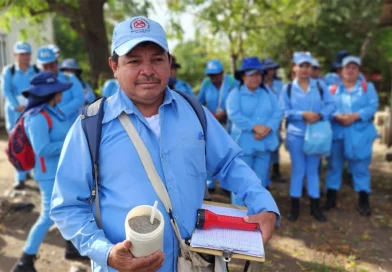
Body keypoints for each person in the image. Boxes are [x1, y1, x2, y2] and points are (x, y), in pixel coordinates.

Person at [50, 16, 280, 272]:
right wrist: (106, 253)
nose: (147, 70)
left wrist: (263, 204)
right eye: (134, 61)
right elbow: (68, 206)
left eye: (157, 59)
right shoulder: (91, 126)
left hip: (198, 263)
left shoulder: (195, 113)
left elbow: (229, 163)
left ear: (169, 62)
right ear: (114, 66)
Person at [12, 72, 74, 272]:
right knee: (47, 217)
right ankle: (25, 261)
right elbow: (41, 149)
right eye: (58, 91)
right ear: (51, 93)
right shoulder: (37, 117)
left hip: (60, 172)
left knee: (73, 208)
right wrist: (69, 143)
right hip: (48, 176)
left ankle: (72, 247)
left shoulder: (53, 111)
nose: (62, 95)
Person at [280, 52, 335, 222]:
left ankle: (315, 208)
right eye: (301, 65)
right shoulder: (288, 88)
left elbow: (332, 104)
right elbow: (283, 111)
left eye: (307, 66)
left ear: (312, 68)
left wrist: (320, 115)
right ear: (294, 67)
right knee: (298, 170)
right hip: (296, 135)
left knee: (313, 171)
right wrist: (301, 114)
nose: (304, 69)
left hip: (316, 136)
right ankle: (294, 208)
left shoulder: (319, 85)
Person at [324, 56, 379, 216]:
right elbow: (327, 107)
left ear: (358, 71)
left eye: (354, 67)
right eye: (347, 67)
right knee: (334, 166)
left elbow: (372, 106)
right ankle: (331, 199)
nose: (350, 70)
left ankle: (363, 200)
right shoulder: (332, 89)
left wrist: (355, 116)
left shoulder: (367, 88)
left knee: (360, 167)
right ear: (341, 71)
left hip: (359, 135)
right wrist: (337, 116)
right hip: (337, 134)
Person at [227, 57, 282, 205]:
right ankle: (237, 218)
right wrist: (254, 127)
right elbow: (234, 114)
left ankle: (255, 216)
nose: (255, 78)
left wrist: (267, 128)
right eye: (251, 74)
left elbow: (277, 112)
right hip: (243, 145)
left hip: (264, 144)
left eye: (258, 74)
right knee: (241, 182)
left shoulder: (267, 92)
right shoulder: (235, 93)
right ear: (243, 76)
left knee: (260, 182)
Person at [1, 41, 40, 189]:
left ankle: (36, 174)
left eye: (27, 54)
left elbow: (40, 89)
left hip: (32, 111)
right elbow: (7, 91)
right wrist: (16, 105)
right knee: (18, 143)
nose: (25, 57)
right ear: (15, 55)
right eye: (22, 54)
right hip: (14, 113)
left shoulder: (36, 70)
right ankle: (21, 177)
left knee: (34, 141)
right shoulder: (8, 71)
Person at [198, 59, 238, 191]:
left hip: (229, 125)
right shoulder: (206, 84)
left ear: (222, 73)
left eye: (216, 75)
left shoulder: (232, 82)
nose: (214, 78)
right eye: (211, 75)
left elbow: (237, 102)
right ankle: (210, 184)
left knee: (227, 153)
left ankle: (227, 184)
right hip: (211, 124)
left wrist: (226, 112)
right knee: (209, 151)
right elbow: (200, 102)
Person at [36, 47, 84, 123]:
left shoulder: (70, 78)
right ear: (40, 67)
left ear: (57, 63)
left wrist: (61, 111)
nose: (49, 69)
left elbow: (79, 98)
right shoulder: (37, 83)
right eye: (45, 67)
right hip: (49, 125)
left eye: (51, 65)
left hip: (71, 125)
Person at [260, 58, 285, 183]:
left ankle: (276, 170)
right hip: (261, 120)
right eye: (268, 69)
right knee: (263, 147)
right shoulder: (259, 84)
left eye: (272, 69)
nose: (270, 72)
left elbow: (282, 103)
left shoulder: (279, 85)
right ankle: (265, 176)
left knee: (275, 144)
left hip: (275, 120)